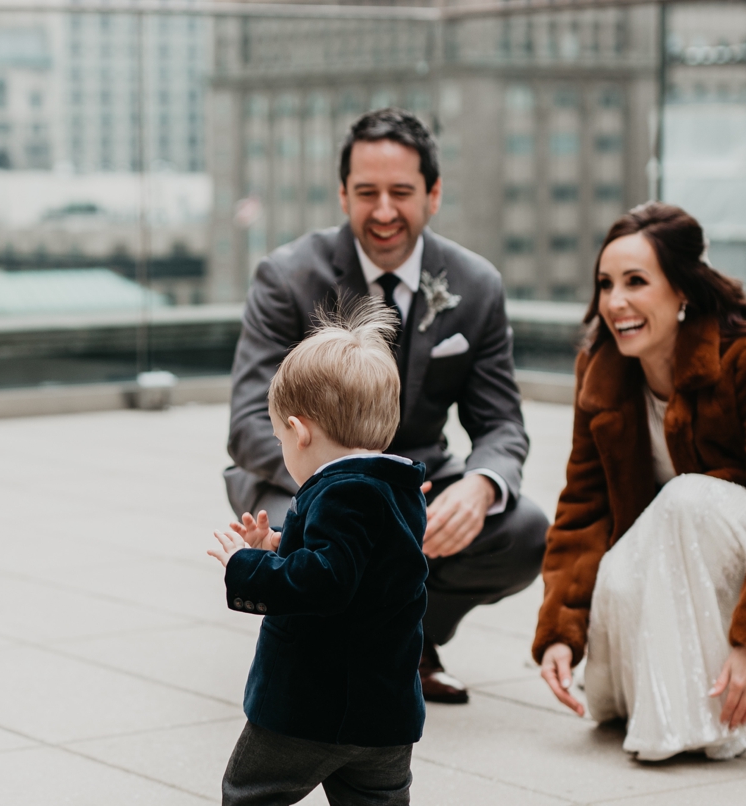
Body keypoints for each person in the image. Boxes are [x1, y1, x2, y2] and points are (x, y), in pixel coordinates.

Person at [225, 108, 549, 705]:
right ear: (342, 194)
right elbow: (248, 424)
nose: (383, 211)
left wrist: (479, 486)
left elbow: (501, 422)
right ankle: (315, 661)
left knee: (524, 531)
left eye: (401, 192)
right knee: (304, 531)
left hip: (419, 478)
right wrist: (350, 488)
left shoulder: (476, 284)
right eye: (366, 192)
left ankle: (409, 640)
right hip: (302, 475)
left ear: (434, 194)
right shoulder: (287, 277)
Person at [532, 203, 746, 761]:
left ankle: (727, 702)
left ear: (682, 290)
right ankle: (699, 699)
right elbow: (583, 508)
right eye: (605, 284)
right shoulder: (602, 373)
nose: (615, 302)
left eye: (636, 282)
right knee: (622, 576)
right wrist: (561, 630)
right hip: (672, 553)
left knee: (688, 498)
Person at [191, 299, 435, 806]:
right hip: (385, 712)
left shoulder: (338, 494)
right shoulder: (395, 489)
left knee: (251, 792)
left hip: (312, 708)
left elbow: (323, 584)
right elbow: (354, 571)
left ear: (298, 431)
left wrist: (250, 567)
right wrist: (278, 548)